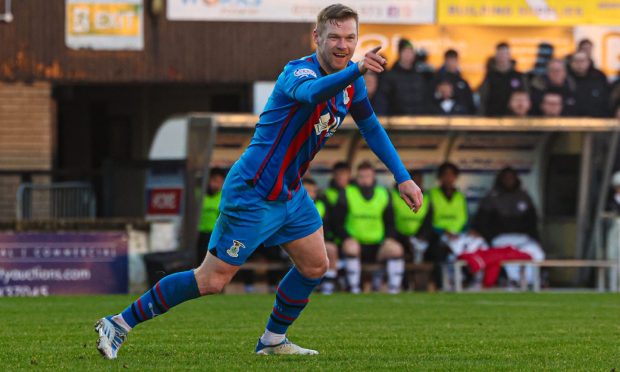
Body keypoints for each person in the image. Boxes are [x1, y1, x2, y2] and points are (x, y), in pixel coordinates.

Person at [94, 3, 422, 359]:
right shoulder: (297, 74)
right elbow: (314, 95)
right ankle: (118, 323)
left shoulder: (350, 85)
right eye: (334, 37)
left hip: (291, 194)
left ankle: (272, 341)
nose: (343, 45)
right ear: (317, 37)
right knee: (211, 280)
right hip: (253, 191)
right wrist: (357, 70)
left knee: (315, 265)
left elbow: (371, 128)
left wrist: (403, 177)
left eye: (350, 38)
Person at [336, 161, 404, 294]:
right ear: (356, 178)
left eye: (368, 176)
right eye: (361, 176)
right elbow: (337, 222)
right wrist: (347, 238)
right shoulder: (347, 193)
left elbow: (390, 222)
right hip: (356, 244)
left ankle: (393, 290)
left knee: (396, 249)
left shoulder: (384, 194)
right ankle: (354, 289)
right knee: (351, 247)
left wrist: (389, 238)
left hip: (377, 245)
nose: (365, 180)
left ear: (373, 177)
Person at [471, 167, 544, 286]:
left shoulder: (524, 197)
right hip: (501, 238)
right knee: (509, 256)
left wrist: (536, 239)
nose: (509, 181)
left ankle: (532, 281)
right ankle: (514, 281)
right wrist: (489, 237)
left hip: (523, 238)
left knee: (537, 253)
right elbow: (483, 221)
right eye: (506, 178)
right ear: (500, 180)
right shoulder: (492, 197)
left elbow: (532, 222)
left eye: (511, 178)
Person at [425, 162, 469, 288]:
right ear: (440, 177)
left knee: (471, 248)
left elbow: (466, 220)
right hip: (438, 235)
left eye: (451, 175)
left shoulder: (460, 197)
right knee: (438, 251)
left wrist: (462, 233)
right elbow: (426, 220)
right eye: (445, 175)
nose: (448, 178)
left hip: (459, 236)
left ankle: (468, 281)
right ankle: (442, 285)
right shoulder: (431, 195)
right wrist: (442, 231)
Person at [373, 38, 430, 116]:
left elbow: (426, 100)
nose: (408, 55)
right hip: (396, 123)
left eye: (410, 52)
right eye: (405, 51)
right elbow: (383, 101)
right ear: (400, 53)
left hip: (419, 122)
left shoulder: (420, 76)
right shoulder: (390, 76)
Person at [304, 177, 338, 295]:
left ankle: (327, 289)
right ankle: (307, 287)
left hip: (318, 242)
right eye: (306, 190)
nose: (310, 194)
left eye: (312, 191)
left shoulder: (322, 206)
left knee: (331, 249)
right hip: (297, 243)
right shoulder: (292, 207)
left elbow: (328, 228)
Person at [478, 42, 527, 116]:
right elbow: (483, 97)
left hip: (514, 117)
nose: (503, 57)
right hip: (493, 115)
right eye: (500, 54)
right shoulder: (490, 76)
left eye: (505, 54)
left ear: (509, 56)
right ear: (496, 56)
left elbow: (525, 97)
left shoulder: (518, 76)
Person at [197, 167, 226, 262]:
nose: (217, 185)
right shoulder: (198, 194)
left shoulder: (224, 197)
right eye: (214, 181)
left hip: (214, 236)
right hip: (197, 235)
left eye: (220, 182)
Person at [568, 51, 610, 117]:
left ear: (588, 62)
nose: (579, 64)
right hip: (571, 120)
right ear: (571, 63)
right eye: (576, 61)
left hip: (597, 119)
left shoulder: (599, 77)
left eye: (582, 61)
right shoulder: (565, 79)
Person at [434, 49, 475, 114]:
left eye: (453, 60)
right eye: (449, 60)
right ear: (445, 61)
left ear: (457, 61)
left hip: (460, 117)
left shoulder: (463, 82)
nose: (451, 63)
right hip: (438, 116)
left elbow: (469, 103)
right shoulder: (436, 80)